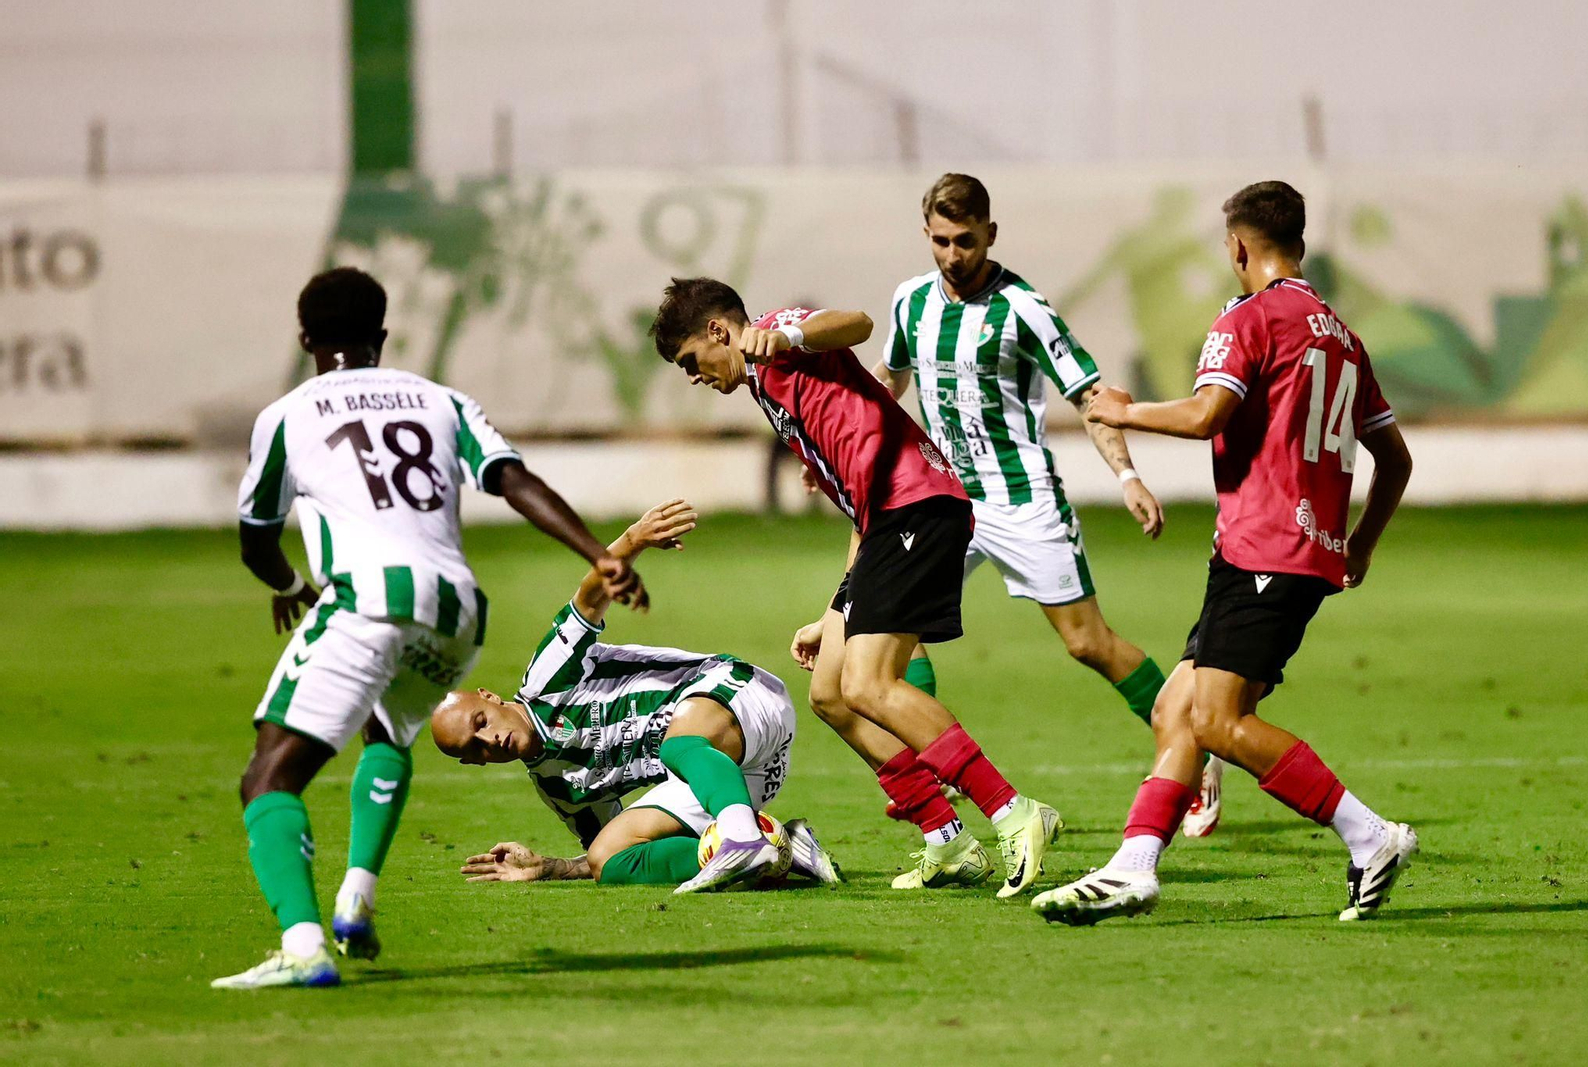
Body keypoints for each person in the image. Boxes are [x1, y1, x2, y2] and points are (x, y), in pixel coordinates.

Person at [214, 267, 643, 990]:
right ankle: (356, 897)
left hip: (370, 598)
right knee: (388, 729)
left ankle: (302, 944)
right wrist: (597, 552)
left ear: (306, 339)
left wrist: (290, 586)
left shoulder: (287, 414)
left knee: (268, 778)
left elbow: (256, 539)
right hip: (459, 608)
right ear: (383, 337)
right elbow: (512, 478)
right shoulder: (440, 399)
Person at [1031, 181, 1417, 925]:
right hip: (1288, 552)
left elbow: (1211, 410)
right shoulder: (1341, 333)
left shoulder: (1249, 317)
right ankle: (1134, 865)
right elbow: (1394, 459)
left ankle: (1371, 836)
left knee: (1217, 722)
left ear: (1238, 246)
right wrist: (1358, 545)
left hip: (1265, 550)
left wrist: (1125, 410)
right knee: (1177, 708)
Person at [651, 277, 1060, 898]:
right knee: (832, 693)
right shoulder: (769, 391)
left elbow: (857, 323)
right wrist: (834, 605)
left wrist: (784, 333)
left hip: (918, 508)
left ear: (716, 332)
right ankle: (946, 839)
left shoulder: (780, 336)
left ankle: (1014, 813)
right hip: (887, 523)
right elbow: (857, 503)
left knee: (872, 683)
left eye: (689, 362)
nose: (695, 375)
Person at [867, 172, 1226, 837]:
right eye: (941, 241)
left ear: (990, 235)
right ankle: (932, 774)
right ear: (927, 235)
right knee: (893, 634)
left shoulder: (1025, 309)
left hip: (1022, 500)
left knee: (1087, 643)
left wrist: (1127, 476)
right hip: (942, 500)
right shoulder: (909, 302)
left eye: (966, 241)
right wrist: (852, 453)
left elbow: (1089, 397)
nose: (953, 255)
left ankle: (1193, 750)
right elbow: (890, 383)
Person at [431, 499, 840, 892]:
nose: (490, 741)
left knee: (677, 745)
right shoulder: (560, 788)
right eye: (476, 748)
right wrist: (550, 868)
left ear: (490, 697)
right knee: (607, 857)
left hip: (740, 696)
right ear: (474, 762)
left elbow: (590, 597)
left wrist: (634, 539)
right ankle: (780, 846)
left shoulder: (545, 680)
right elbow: (608, 852)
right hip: (731, 781)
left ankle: (742, 840)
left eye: (480, 723)